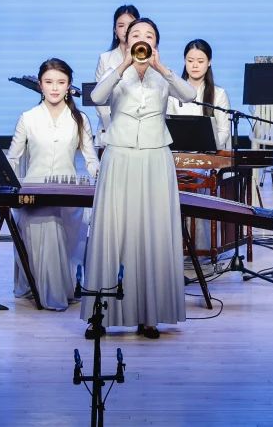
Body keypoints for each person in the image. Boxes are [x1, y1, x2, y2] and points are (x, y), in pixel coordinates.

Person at [83, 18, 195, 340]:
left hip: (155, 157)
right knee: (112, 232)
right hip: (119, 156)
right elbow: (97, 97)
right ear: (126, 40)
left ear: (156, 43)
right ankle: (99, 315)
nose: (141, 39)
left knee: (152, 233)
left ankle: (150, 315)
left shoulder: (163, 75)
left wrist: (162, 68)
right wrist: (123, 66)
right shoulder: (116, 72)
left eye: (148, 35)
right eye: (135, 34)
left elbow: (188, 94)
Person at [5, 59, 99, 310]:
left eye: (61, 82)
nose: (55, 88)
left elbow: (91, 160)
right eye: (49, 82)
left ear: (69, 85)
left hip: (68, 194)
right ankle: (50, 293)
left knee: (61, 225)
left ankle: (58, 288)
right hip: (33, 194)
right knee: (45, 223)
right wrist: (6, 184)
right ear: (40, 85)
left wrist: (101, 176)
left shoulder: (79, 119)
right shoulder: (28, 118)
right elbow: (12, 159)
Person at [166, 39, 231, 150]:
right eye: (190, 61)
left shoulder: (219, 94)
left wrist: (207, 148)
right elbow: (169, 127)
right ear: (184, 61)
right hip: (180, 152)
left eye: (200, 61)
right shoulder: (173, 92)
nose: (195, 65)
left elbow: (224, 131)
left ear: (209, 62)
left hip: (209, 153)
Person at [93, 4, 141, 142]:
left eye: (130, 25)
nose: (126, 30)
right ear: (115, 30)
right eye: (121, 25)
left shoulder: (148, 58)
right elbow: (99, 100)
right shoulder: (105, 59)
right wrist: (112, 128)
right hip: (110, 130)